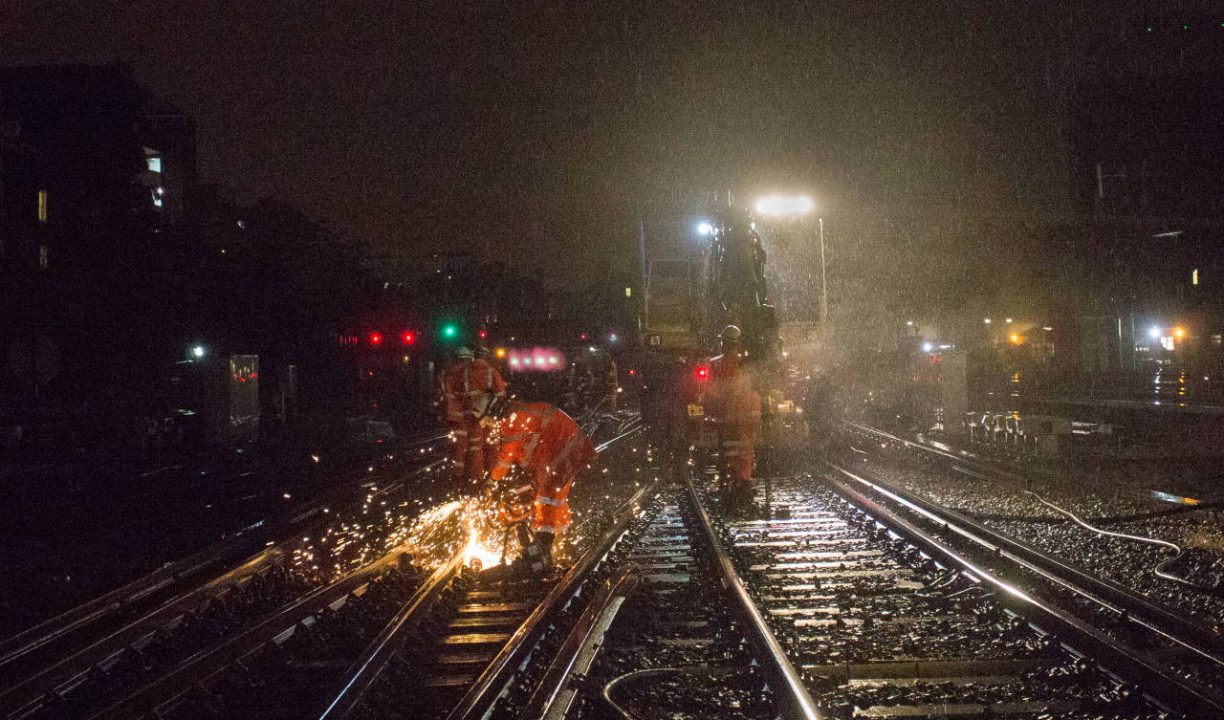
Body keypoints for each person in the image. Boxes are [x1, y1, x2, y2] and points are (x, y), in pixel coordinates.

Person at [482, 400, 596, 567]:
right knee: (557, 498)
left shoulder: (512, 422)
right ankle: (562, 544)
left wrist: (492, 482)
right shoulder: (518, 412)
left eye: (488, 421)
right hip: (565, 446)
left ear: (492, 413)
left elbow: (507, 457)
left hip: (560, 448)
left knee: (547, 498)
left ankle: (541, 552)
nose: (490, 426)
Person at [708, 325, 761, 511]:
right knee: (744, 451)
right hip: (745, 417)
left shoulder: (716, 364)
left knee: (728, 452)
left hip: (729, 417)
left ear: (724, 342)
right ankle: (742, 483)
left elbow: (712, 391)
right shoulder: (745, 365)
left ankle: (730, 484)